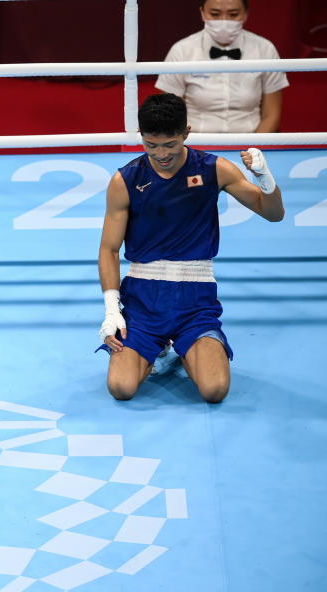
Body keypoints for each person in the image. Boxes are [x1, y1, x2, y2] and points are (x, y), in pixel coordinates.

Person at [97, 93, 284, 403]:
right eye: (151, 145)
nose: (161, 154)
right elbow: (109, 249)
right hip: (143, 298)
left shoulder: (215, 169)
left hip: (195, 298)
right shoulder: (125, 180)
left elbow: (274, 214)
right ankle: (155, 349)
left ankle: (187, 349)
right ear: (141, 137)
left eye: (170, 144)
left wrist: (265, 179)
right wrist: (110, 310)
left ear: (186, 132)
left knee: (214, 390)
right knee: (121, 388)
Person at [154, 0, 288, 133]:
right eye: (215, 14)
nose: (224, 21)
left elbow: (271, 115)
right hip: (195, 146)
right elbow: (171, 117)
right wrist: (194, 154)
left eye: (233, 14)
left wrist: (253, 151)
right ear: (202, 12)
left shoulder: (265, 49)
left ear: (246, 13)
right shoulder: (181, 51)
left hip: (252, 144)